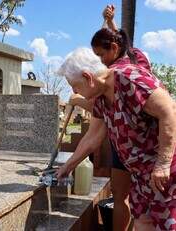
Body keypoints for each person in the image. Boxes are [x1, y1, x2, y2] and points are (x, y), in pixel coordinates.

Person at [56, 46, 176, 230]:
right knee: (143, 220)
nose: (74, 91)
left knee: (171, 223)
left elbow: (170, 110)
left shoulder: (129, 78)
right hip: (141, 167)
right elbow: (92, 137)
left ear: (88, 77)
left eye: (75, 86)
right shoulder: (101, 97)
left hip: (172, 159)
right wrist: (67, 167)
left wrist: (163, 163)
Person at [68, 5, 150, 231]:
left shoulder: (133, 67)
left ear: (115, 49)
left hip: (146, 145)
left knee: (148, 204)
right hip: (121, 144)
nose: (101, 61)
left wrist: (111, 23)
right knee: (120, 193)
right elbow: (98, 110)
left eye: (102, 55)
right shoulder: (102, 84)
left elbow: (124, 47)